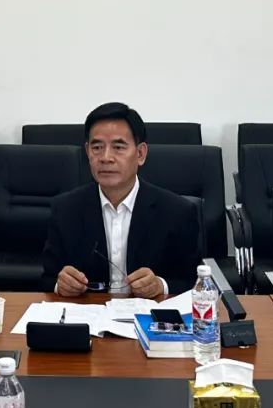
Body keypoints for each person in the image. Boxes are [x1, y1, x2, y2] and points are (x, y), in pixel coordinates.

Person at [41, 102, 203, 297]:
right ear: (87, 152)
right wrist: (61, 284)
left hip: (147, 312)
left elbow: (194, 280)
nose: (106, 157)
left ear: (140, 154)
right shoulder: (65, 209)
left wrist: (160, 285)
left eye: (118, 147)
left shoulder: (177, 211)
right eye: (97, 147)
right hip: (88, 310)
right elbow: (48, 278)